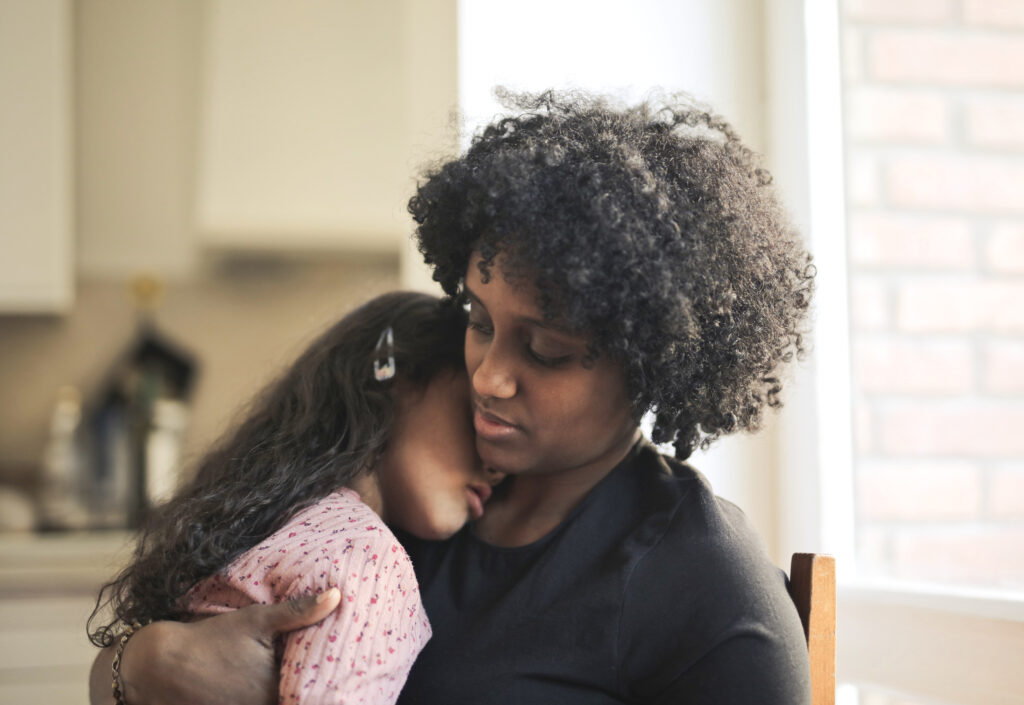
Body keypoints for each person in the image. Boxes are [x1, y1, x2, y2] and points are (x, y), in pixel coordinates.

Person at [90, 90, 816, 704]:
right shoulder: (414, 482)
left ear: (652, 362)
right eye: (478, 320)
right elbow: (123, 658)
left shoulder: (705, 588)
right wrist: (154, 660)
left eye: (545, 349)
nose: (488, 377)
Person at [88, 291, 504, 705]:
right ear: (395, 378)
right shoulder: (367, 560)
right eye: (478, 411)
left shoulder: (248, 521)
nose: (497, 465)